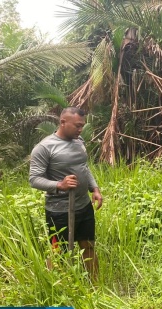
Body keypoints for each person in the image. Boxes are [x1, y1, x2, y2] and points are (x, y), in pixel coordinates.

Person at [29, 107, 103, 280]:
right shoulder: (44, 148)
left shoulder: (79, 142)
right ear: (63, 122)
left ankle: (96, 287)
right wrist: (59, 185)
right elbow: (34, 179)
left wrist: (95, 189)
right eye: (77, 125)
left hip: (83, 206)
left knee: (89, 246)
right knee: (58, 251)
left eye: (82, 126)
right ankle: (57, 288)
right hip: (59, 211)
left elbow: (84, 168)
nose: (80, 129)